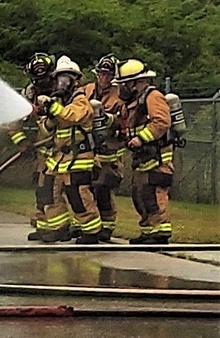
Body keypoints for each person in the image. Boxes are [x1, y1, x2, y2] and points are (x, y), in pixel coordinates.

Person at [33, 56, 103, 244]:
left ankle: (91, 232)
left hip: (79, 157)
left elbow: (73, 116)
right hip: (59, 157)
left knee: (78, 195)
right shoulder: (60, 102)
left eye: (67, 78)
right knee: (48, 192)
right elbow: (47, 129)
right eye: (59, 78)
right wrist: (48, 116)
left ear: (76, 80)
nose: (62, 82)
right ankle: (59, 229)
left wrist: (53, 107)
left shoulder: (80, 100)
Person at [116, 60, 174, 246]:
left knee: (153, 194)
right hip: (143, 158)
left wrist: (140, 139)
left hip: (157, 157)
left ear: (136, 82)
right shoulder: (134, 102)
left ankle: (160, 232)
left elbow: (161, 122)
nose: (122, 88)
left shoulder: (153, 96)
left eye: (124, 84)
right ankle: (148, 231)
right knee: (139, 194)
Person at [8, 53, 57, 241]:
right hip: (45, 153)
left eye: (46, 79)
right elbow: (13, 122)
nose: (43, 84)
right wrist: (22, 142)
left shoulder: (63, 89)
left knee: (66, 190)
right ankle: (44, 225)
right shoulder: (29, 93)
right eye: (38, 80)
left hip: (66, 150)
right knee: (43, 188)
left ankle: (64, 227)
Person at [82, 55, 126, 242]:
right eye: (101, 74)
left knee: (104, 187)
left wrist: (106, 118)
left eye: (108, 75)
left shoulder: (119, 95)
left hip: (109, 148)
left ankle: (107, 226)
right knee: (86, 186)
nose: (104, 78)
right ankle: (88, 224)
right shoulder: (87, 90)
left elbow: (123, 119)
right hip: (88, 147)